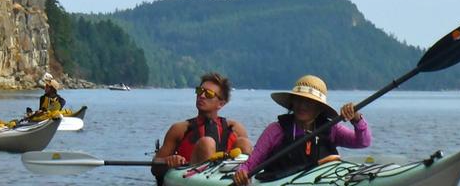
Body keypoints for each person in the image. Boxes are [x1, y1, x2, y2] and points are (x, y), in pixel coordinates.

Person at [232, 75, 371, 185]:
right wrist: (242, 173)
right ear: (292, 102)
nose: (301, 106)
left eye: (308, 102)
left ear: (319, 107)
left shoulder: (331, 129)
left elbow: (363, 142)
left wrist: (356, 119)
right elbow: (250, 164)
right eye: (298, 100)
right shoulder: (276, 130)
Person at [153, 72, 253, 184]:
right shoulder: (179, 129)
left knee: (244, 143)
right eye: (200, 91)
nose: (202, 96)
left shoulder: (235, 128)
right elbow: (155, 166)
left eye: (209, 94)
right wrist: (168, 161)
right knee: (207, 143)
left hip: (228, 179)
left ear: (221, 104)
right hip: (191, 178)